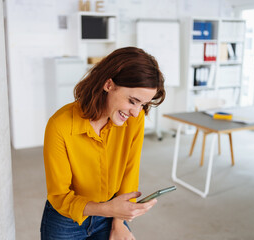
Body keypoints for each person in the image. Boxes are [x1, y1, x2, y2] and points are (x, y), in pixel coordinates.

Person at [40, 47, 166, 240]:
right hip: (67, 221)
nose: (136, 112)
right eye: (133, 101)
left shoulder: (134, 119)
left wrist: (119, 222)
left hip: (112, 214)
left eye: (143, 104)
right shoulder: (60, 125)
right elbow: (59, 196)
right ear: (108, 84)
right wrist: (108, 209)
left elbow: (129, 173)